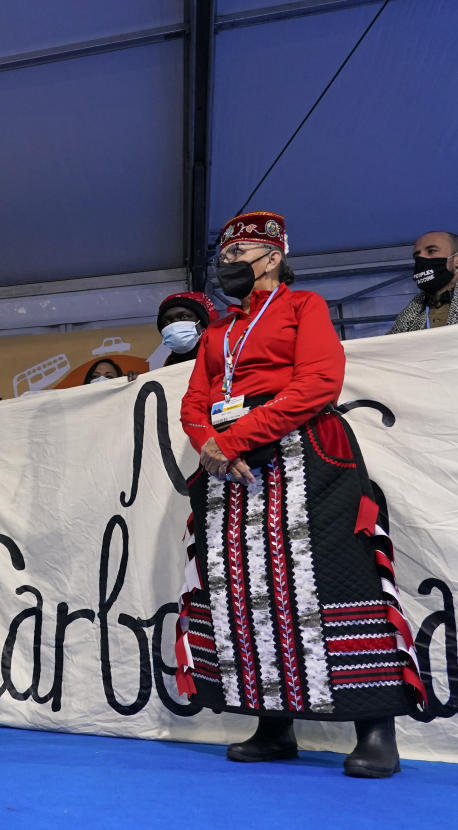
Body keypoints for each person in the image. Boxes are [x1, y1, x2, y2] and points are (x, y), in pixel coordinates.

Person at [175, 210, 425, 778]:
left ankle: (376, 728)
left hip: (306, 452)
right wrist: (210, 443)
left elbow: (318, 383)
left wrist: (232, 438)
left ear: (272, 257)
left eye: (239, 256)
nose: (227, 265)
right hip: (231, 466)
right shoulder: (218, 332)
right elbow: (194, 402)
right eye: (225, 256)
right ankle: (273, 725)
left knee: (341, 577)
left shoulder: (303, 307)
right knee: (243, 589)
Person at [388, 231, 458, 333]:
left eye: (431, 251)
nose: (421, 260)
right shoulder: (410, 315)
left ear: (456, 260)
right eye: (417, 257)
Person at [157, 291, 219, 365]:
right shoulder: (166, 368)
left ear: (201, 323)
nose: (175, 325)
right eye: (166, 322)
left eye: (184, 317)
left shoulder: (223, 360)